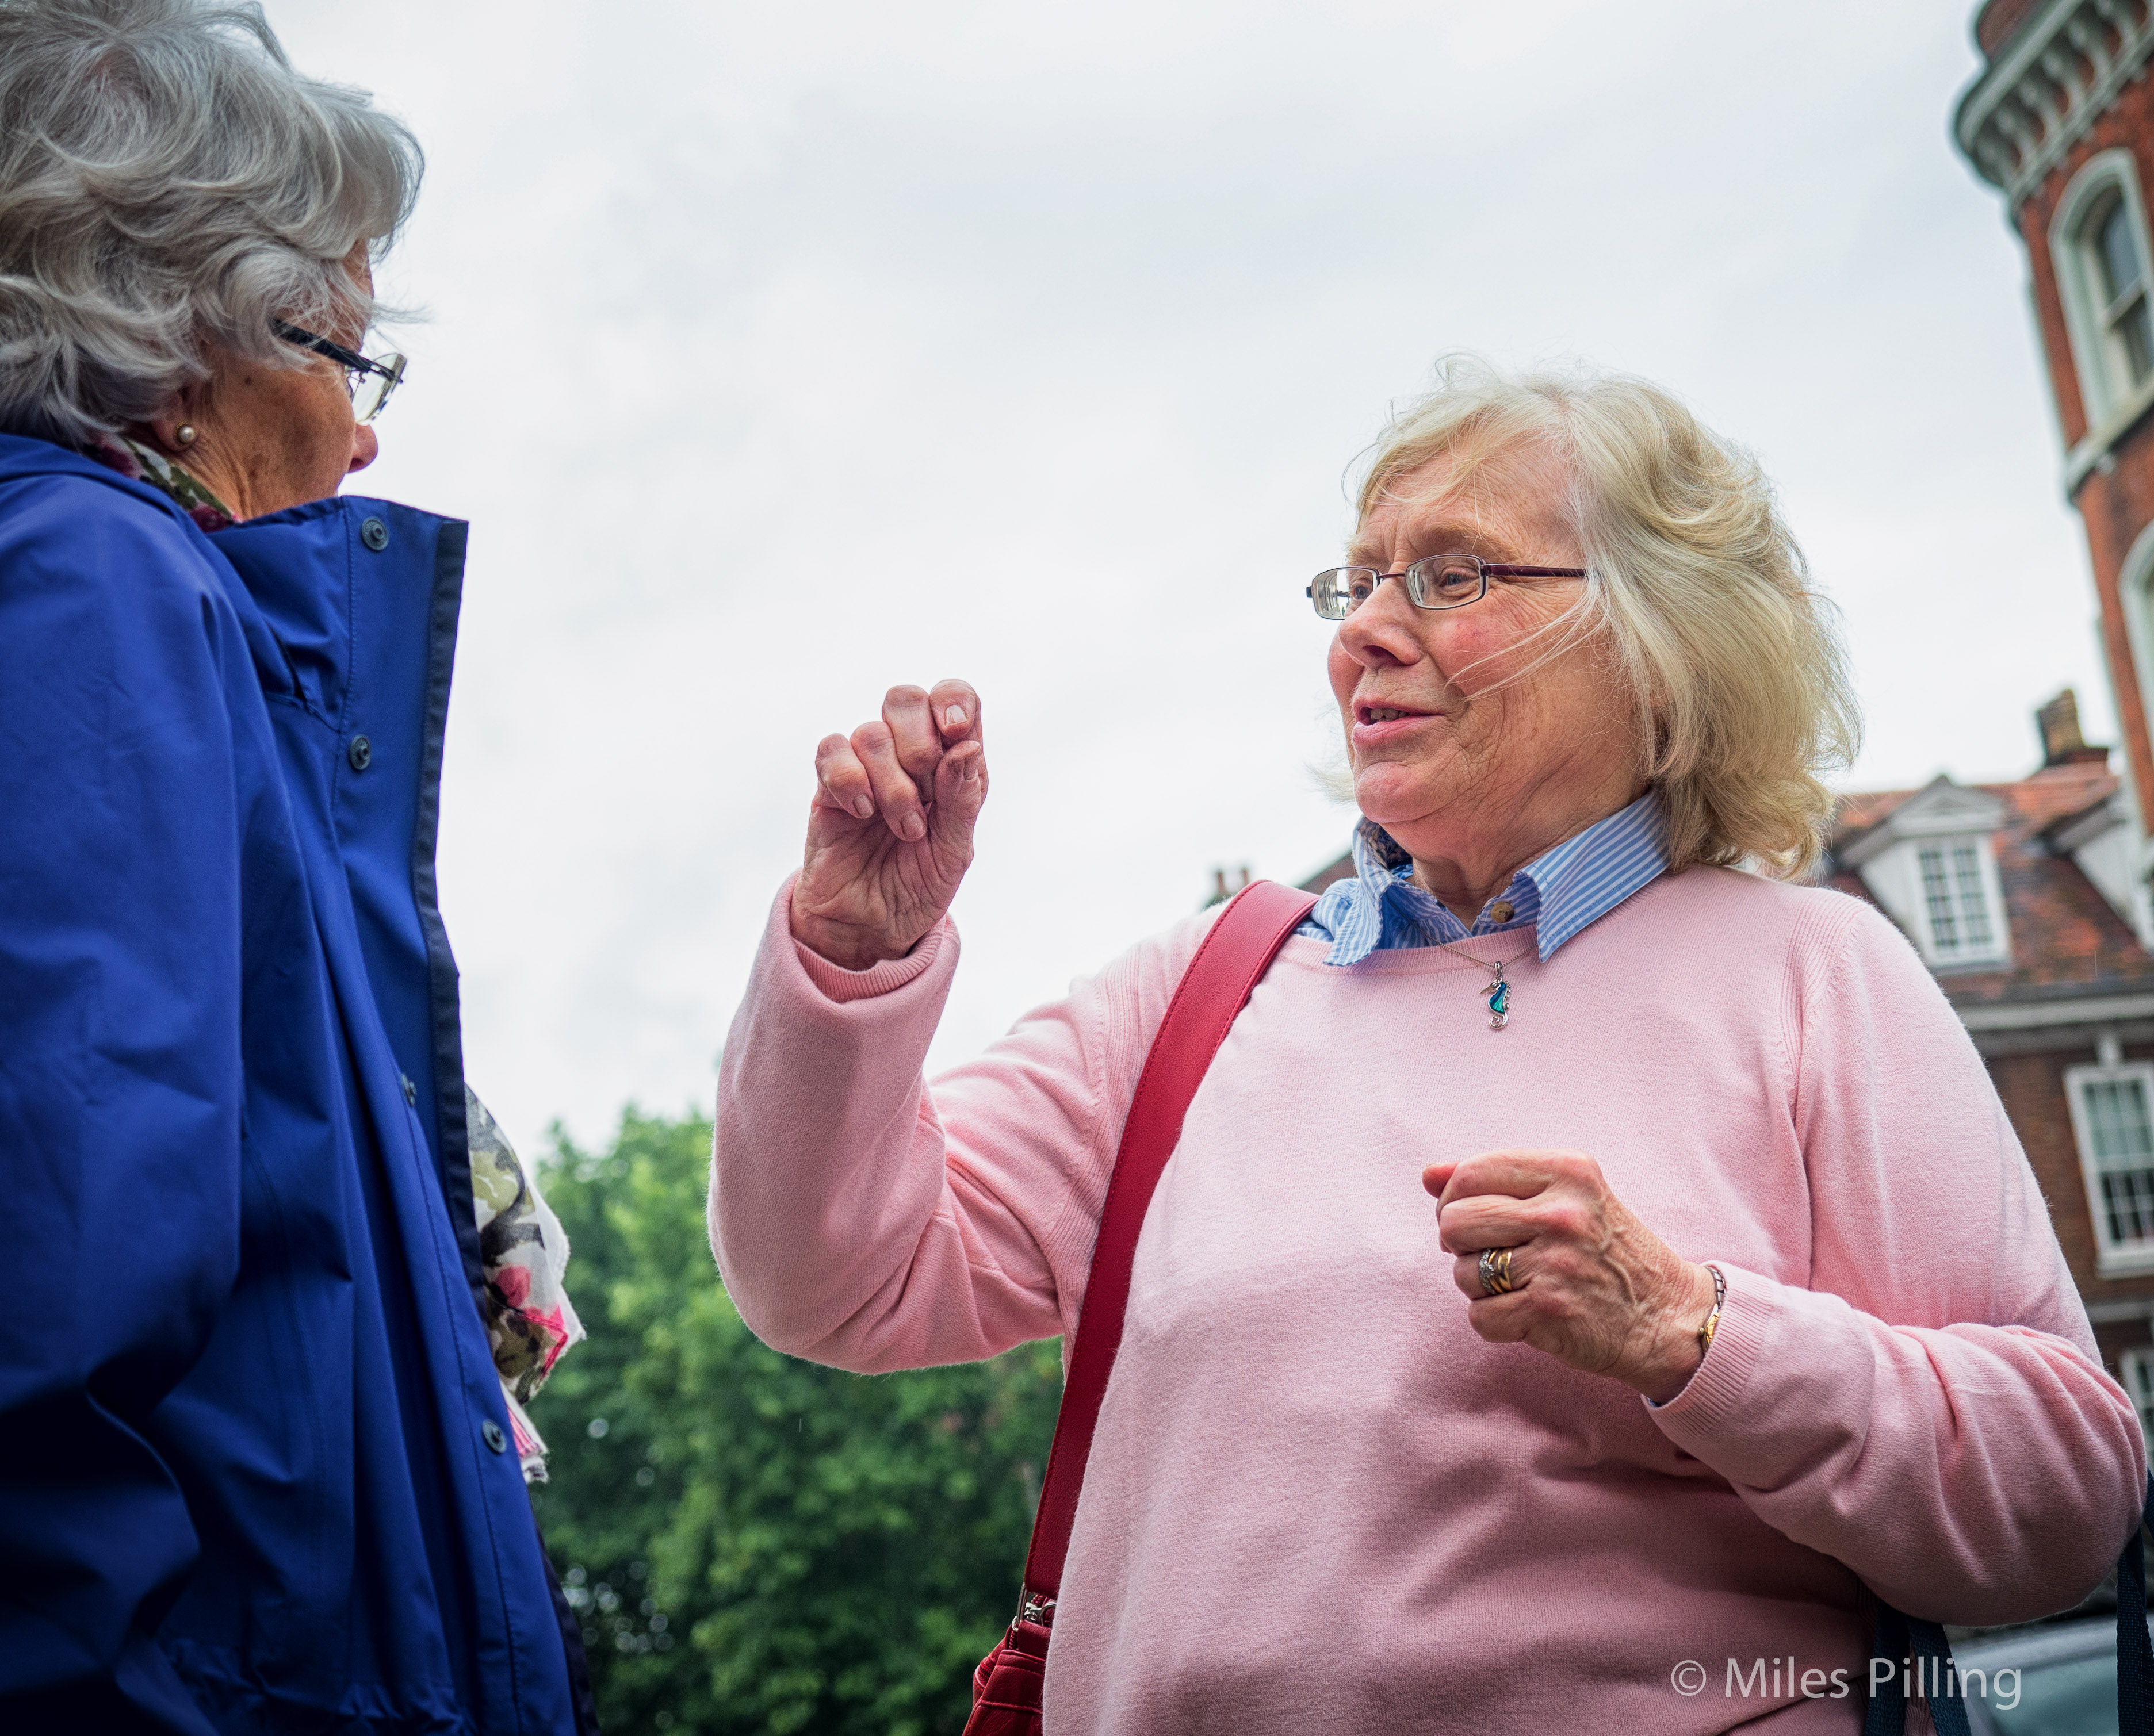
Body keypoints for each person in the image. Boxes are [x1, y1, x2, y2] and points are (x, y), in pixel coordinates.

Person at [711, 357, 2149, 1731]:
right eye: (1358, 581)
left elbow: (2066, 1495)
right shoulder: (1193, 993)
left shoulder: (1816, 974)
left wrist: (1692, 1331)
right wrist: (852, 956)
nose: (1365, 630)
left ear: (1658, 640)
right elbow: (831, 1286)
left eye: (1452, 574)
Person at [0, 2, 589, 1730]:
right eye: (349, 355)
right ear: (187, 336)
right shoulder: (95, 581)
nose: (367, 433)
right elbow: (67, 1259)